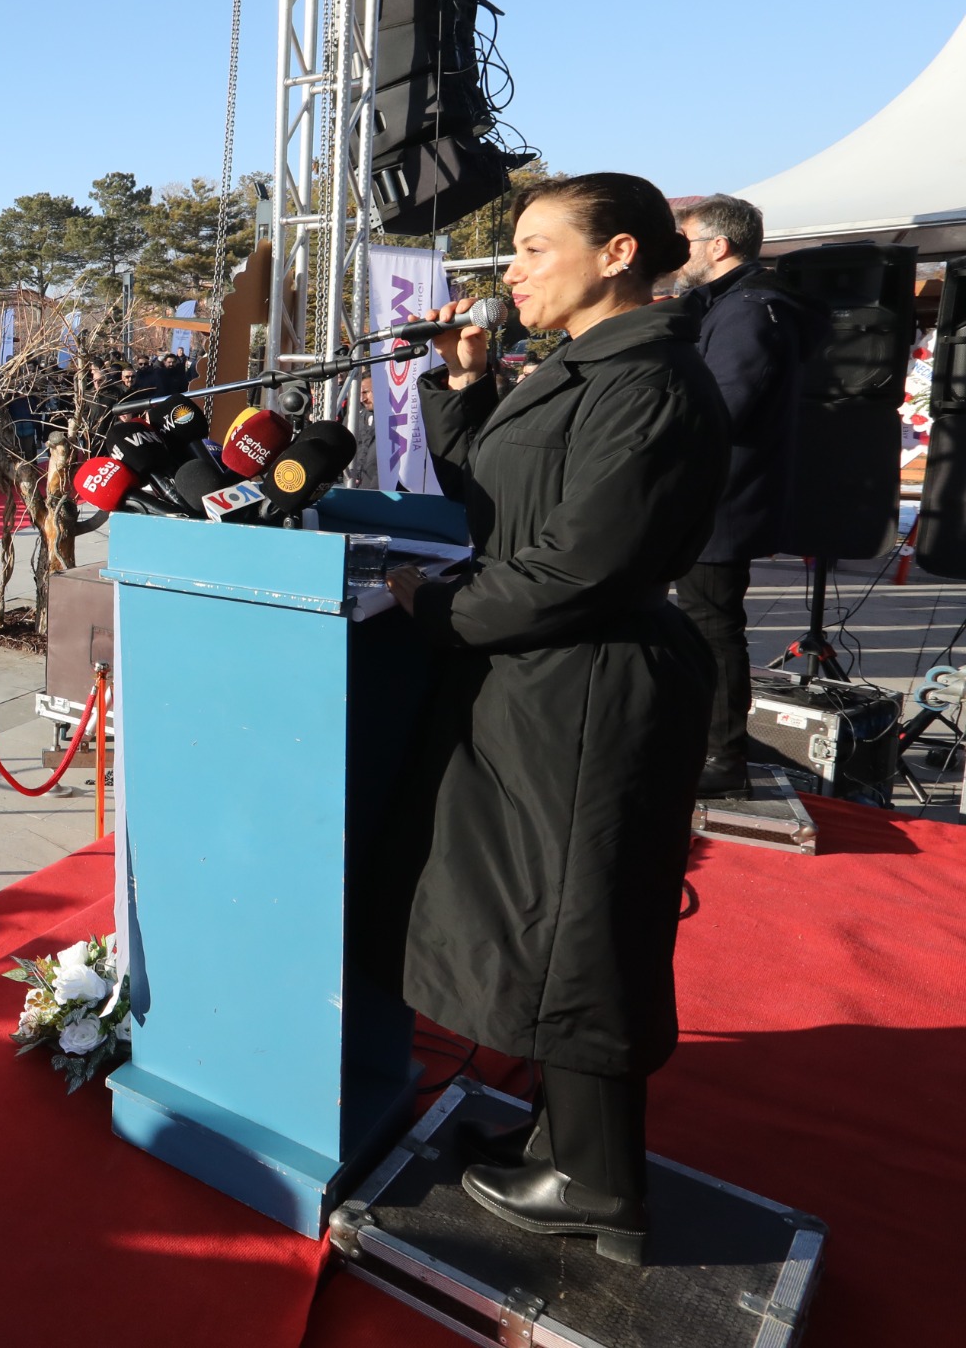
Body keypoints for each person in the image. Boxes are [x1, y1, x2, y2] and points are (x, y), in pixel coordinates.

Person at [373, 173, 727, 1265]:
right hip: (537, 678)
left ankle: (597, 1184)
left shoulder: (650, 383)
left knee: (579, 923)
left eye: (531, 248)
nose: (509, 272)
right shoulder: (583, 368)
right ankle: (565, 1135)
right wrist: (460, 388)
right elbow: (501, 493)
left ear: (616, 253)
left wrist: (435, 604)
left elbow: (576, 563)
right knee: (545, 907)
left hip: (587, 682)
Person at [669, 194, 813, 794]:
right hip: (714, 492)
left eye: (686, 245)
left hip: (721, 499)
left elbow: (721, 406)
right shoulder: (731, 305)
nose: (679, 258)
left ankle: (721, 758)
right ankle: (704, 746)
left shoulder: (749, 310)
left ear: (719, 247)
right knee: (703, 623)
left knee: (712, 625)